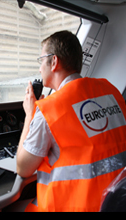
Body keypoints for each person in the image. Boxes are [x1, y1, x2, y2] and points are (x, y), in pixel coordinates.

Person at [16, 30, 126, 212]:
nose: (39, 68)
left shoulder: (49, 109)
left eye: (41, 60)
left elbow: (23, 168)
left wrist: (30, 114)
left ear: (54, 62)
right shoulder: (111, 91)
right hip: (116, 202)